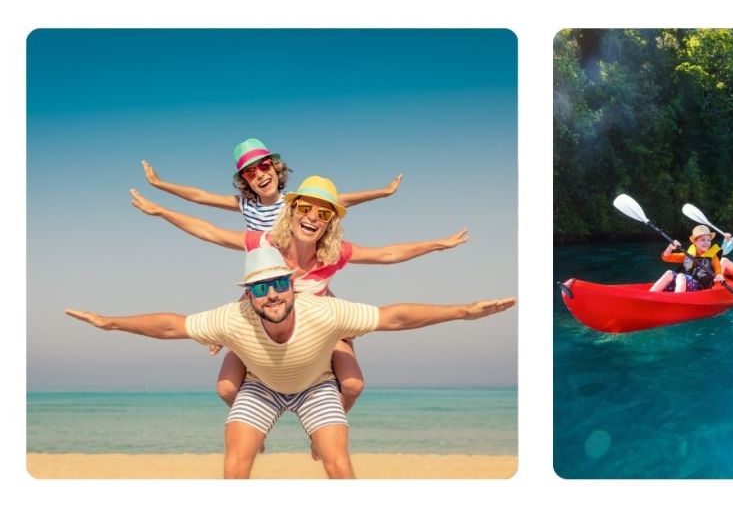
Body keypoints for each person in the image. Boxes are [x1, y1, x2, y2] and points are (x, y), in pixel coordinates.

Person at [65, 247, 516, 479]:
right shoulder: (233, 317)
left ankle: (318, 438)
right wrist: (110, 323)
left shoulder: (324, 311)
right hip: (261, 388)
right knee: (235, 464)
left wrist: (463, 311)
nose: (273, 294)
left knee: (337, 464)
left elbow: (393, 316)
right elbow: (171, 325)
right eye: (261, 288)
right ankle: (257, 436)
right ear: (249, 294)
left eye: (279, 283)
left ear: (291, 284)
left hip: (316, 386)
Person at [129, 176, 468, 414]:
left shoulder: (333, 253)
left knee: (353, 385)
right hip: (268, 324)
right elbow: (209, 231)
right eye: (305, 208)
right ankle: (251, 417)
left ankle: (334, 421)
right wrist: (162, 211)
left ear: (330, 222)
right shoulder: (265, 243)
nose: (312, 218)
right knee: (226, 389)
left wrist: (437, 244)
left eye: (323, 214)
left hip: (320, 327)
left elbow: (388, 254)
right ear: (291, 212)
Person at [142, 137, 401, 231]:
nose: (260, 176)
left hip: (297, 268)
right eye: (250, 173)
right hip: (263, 269)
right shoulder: (246, 204)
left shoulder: (293, 203)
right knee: (233, 323)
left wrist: (384, 192)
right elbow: (200, 196)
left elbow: (341, 199)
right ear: (245, 181)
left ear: (276, 170)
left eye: (264, 167)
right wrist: (160, 184)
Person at [649, 225, 725, 293]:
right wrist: (670, 248)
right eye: (703, 240)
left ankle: (676, 302)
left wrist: (719, 277)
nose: (706, 243)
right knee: (669, 273)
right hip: (683, 283)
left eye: (708, 240)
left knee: (681, 276)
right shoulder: (689, 255)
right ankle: (651, 295)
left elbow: (719, 272)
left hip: (699, 287)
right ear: (695, 242)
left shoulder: (713, 257)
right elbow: (666, 257)